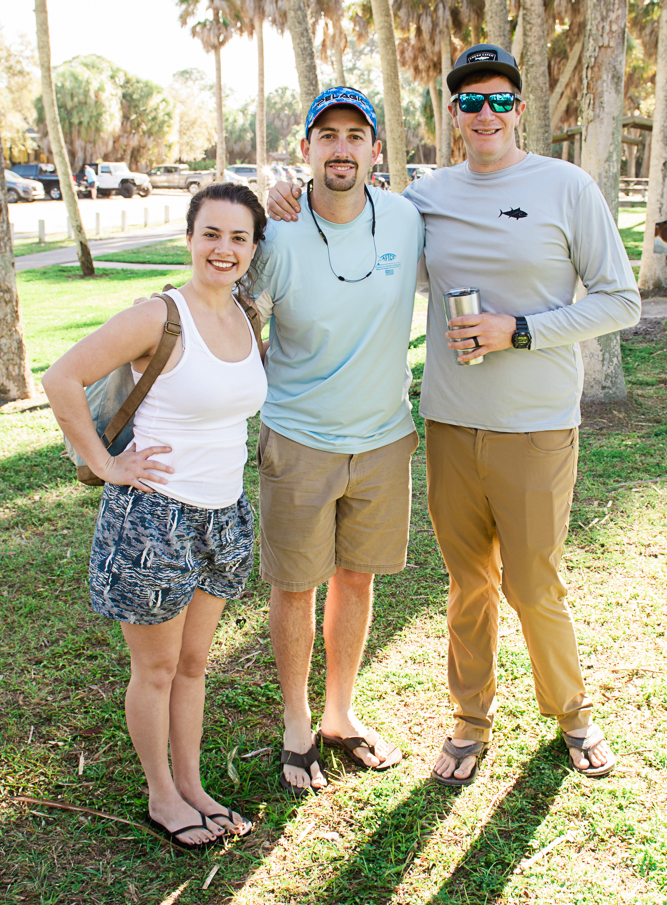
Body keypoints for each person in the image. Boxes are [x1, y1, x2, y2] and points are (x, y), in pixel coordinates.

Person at [266, 45, 641, 785]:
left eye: (500, 99)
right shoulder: (424, 200)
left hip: (535, 425)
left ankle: (572, 714)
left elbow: (619, 300)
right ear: (453, 113)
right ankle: (469, 724)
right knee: (468, 583)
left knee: (533, 582)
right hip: (446, 423)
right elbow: (348, 214)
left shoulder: (565, 187)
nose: (485, 114)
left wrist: (519, 329)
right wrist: (284, 195)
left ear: (519, 109)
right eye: (471, 102)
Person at [43, 183, 268, 848]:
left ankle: (193, 784)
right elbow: (62, 379)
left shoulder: (245, 314)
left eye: (238, 238)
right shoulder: (157, 315)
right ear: (190, 237)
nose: (223, 249)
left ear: (252, 248)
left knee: (195, 665)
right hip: (153, 520)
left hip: (222, 517)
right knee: (158, 670)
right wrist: (107, 464)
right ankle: (161, 794)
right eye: (211, 234)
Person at [255, 86, 424, 794]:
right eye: (327, 136)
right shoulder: (277, 232)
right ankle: (297, 722)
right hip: (298, 438)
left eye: (356, 135)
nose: (341, 148)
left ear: (375, 151)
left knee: (356, 579)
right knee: (295, 587)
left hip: (385, 438)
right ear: (306, 152)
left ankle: (340, 714)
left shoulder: (409, 218)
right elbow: (237, 320)